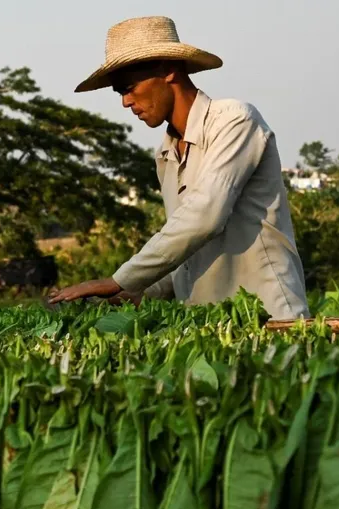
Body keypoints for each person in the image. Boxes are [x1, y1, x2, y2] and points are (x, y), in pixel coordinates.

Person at [47, 16, 309, 320]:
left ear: (168, 70)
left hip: (270, 318)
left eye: (130, 87)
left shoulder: (235, 121)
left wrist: (119, 279)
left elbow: (204, 218)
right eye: (120, 92)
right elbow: (187, 249)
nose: (126, 102)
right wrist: (135, 289)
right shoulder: (166, 153)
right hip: (211, 327)